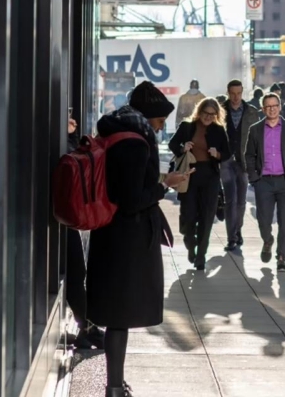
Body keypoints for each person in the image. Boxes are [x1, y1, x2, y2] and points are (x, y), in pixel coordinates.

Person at [87, 81, 188, 397]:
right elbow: (131, 198)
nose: (161, 126)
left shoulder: (117, 132)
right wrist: (165, 185)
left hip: (112, 236)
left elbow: (122, 185)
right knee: (120, 316)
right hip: (126, 240)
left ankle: (116, 383)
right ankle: (114, 387)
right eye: (160, 120)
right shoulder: (135, 143)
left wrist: (157, 182)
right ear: (149, 115)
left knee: (120, 314)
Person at [245, 94, 285, 272]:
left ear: (280, 107)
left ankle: (281, 257)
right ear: (263, 109)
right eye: (268, 106)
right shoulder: (256, 129)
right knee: (263, 220)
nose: (272, 109)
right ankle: (267, 240)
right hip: (263, 182)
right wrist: (254, 177)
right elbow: (249, 155)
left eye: (275, 105)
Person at [170, 98, 231, 270]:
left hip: (210, 176)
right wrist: (183, 147)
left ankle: (201, 256)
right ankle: (190, 243)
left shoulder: (218, 130)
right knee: (188, 215)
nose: (208, 117)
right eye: (206, 113)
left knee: (207, 216)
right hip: (189, 175)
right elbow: (172, 144)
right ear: (199, 111)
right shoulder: (187, 126)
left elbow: (227, 152)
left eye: (213, 115)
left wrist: (217, 154)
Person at [64, 115, 105, 349]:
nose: (72, 119)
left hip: (60, 216)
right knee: (76, 272)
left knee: (76, 273)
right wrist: (69, 135)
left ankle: (87, 328)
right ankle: (88, 329)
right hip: (55, 216)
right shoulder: (58, 139)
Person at [221, 80, 261, 252]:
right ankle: (231, 237)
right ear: (228, 93)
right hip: (226, 160)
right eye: (233, 93)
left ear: (242, 92)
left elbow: (258, 139)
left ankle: (237, 230)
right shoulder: (220, 110)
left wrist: (256, 162)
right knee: (230, 200)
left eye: (239, 93)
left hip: (244, 161)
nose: (236, 97)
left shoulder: (252, 112)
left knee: (241, 201)